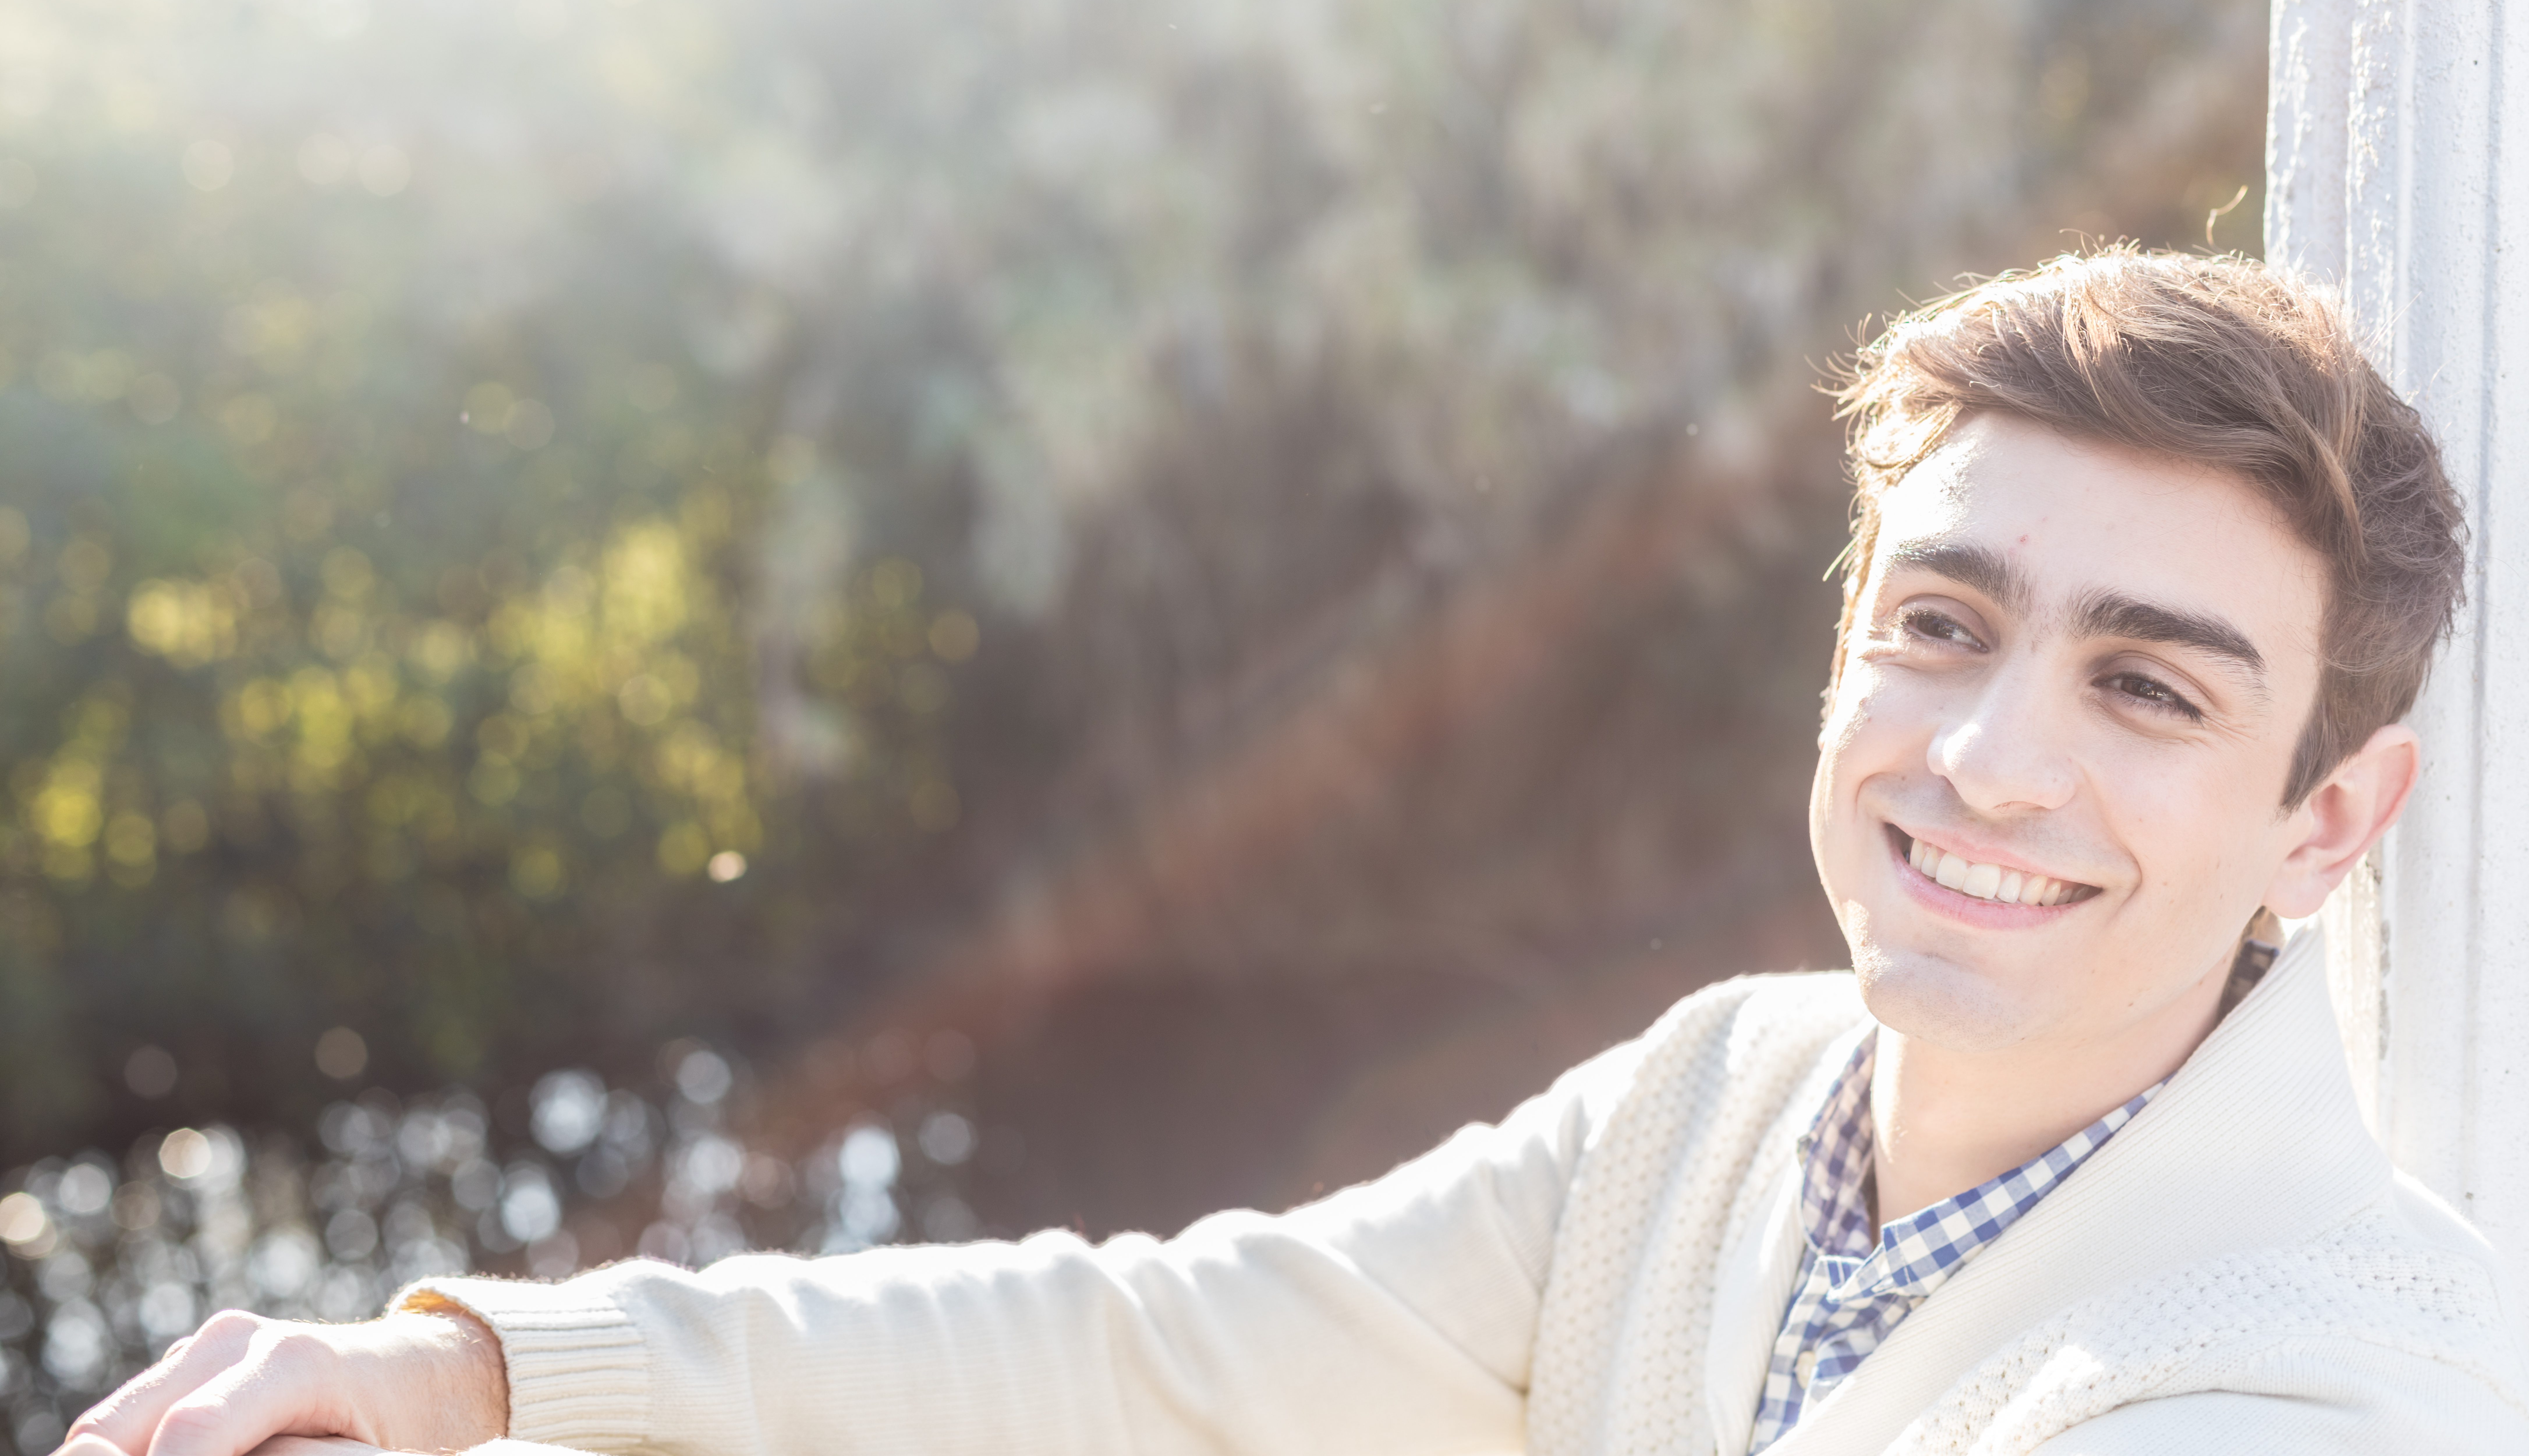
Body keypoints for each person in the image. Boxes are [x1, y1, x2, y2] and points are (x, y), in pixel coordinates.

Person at [56, 250, 2529, 1455]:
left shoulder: (2320, 1391)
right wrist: (476, 1366)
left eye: (2147, 685)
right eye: (1942, 621)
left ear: (2327, 822)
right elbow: (1156, 1346)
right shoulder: (1720, 1104)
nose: (1989, 758)